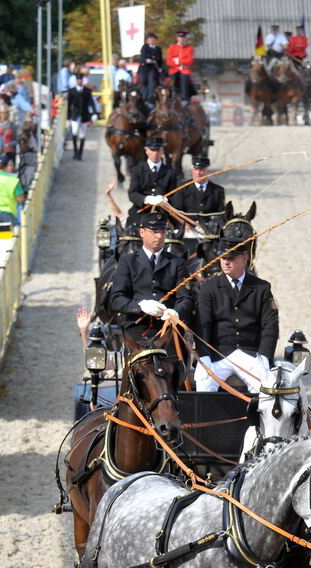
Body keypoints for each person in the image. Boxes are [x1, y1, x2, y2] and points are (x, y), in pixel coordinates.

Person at [194, 233, 279, 393]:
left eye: (231, 258)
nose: (225, 262)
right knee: (203, 385)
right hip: (218, 353)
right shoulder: (208, 288)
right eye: (222, 257)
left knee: (265, 390)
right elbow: (203, 325)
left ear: (244, 258)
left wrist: (264, 357)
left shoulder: (262, 288)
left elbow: (270, 326)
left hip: (251, 353)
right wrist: (203, 357)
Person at [110, 211, 194, 340]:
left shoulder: (177, 263)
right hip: (136, 327)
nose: (159, 236)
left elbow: (186, 298)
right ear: (142, 232)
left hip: (168, 328)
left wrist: (176, 312)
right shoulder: (127, 261)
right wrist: (140, 306)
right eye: (154, 231)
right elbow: (116, 298)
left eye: (163, 231)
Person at [127, 136, 178, 223]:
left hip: (164, 212)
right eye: (152, 150)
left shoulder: (170, 172)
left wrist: (166, 200)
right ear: (146, 150)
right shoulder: (137, 170)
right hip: (141, 211)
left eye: (158, 150)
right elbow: (132, 193)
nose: (155, 153)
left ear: (162, 151)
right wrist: (146, 199)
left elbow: (175, 194)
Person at [171, 155, 225, 219]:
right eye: (196, 169)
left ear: (208, 172)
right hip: (188, 226)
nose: (198, 173)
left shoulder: (218, 191)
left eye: (201, 170)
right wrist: (185, 226)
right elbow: (177, 212)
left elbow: (221, 214)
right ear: (192, 171)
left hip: (210, 227)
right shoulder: (182, 188)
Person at [67, 74, 98, 160]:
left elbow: (91, 102)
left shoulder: (87, 91)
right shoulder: (72, 91)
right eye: (78, 79)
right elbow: (69, 105)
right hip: (75, 115)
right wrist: (68, 117)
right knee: (74, 132)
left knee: (82, 135)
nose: (79, 81)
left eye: (80, 79)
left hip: (84, 115)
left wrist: (94, 113)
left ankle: (80, 153)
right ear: (76, 80)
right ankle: (75, 151)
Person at [166, 31, 194, 103]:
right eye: (180, 37)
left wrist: (178, 60)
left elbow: (189, 61)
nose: (181, 39)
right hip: (174, 69)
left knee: (184, 79)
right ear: (177, 38)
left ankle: (184, 98)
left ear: (185, 39)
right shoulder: (172, 47)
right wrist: (179, 63)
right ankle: (172, 96)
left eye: (183, 38)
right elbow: (168, 61)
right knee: (172, 80)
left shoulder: (189, 48)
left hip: (184, 69)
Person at [138, 32, 163, 105]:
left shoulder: (158, 49)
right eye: (150, 39)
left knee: (152, 83)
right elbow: (143, 57)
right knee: (143, 82)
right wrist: (147, 60)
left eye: (153, 39)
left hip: (153, 69)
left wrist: (160, 67)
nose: (152, 40)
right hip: (144, 69)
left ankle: (150, 99)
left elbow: (160, 60)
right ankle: (144, 98)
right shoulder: (145, 47)